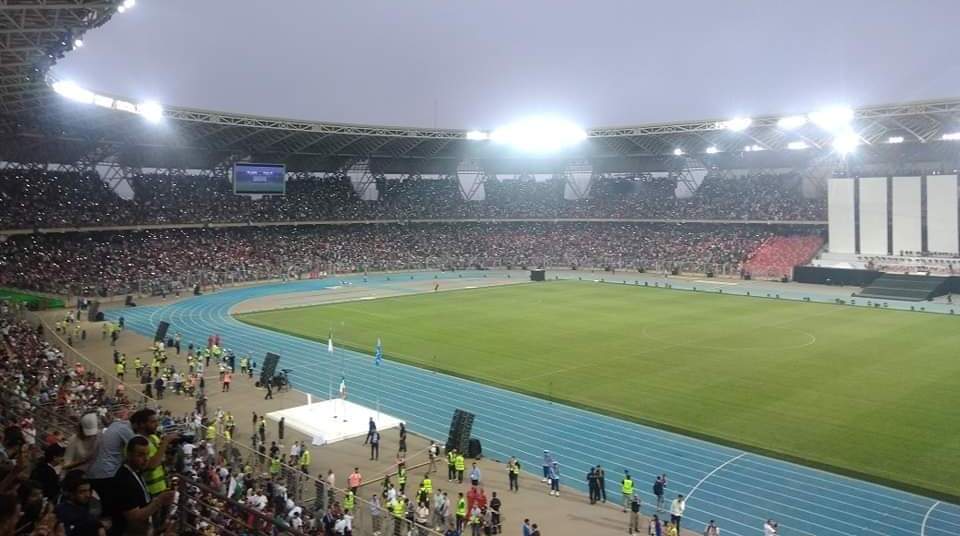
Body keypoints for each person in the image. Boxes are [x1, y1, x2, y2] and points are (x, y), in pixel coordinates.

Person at [110, 435, 176, 535]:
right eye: (140, 455)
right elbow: (134, 517)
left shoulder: (136, 471)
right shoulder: (125, 480)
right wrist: (159, 501)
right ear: (129, 455)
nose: (146, 459)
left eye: (147, 454)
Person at [56, 471, 104, 536]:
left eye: (89, 490)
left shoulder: (84, 505)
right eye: (82, 492)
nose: (88, 495)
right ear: (72, 493)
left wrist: (100, 526)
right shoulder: (63, 511)